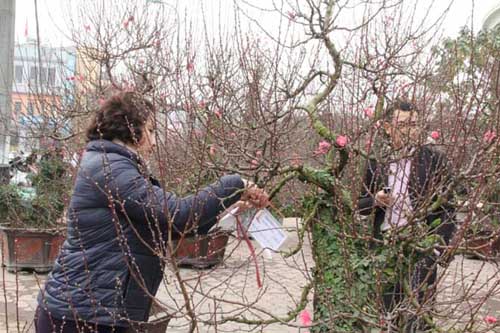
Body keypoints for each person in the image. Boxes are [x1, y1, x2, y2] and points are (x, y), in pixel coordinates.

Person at [35, 92, 269, 333]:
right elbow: (177, 215)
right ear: (130, 129)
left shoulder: (109, 164)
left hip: (91, 313)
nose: (155, 142)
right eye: (151, 130)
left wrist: (228, 204)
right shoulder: (111, 169)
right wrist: (236, 184)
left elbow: (174, 228)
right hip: (84, 317)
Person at [358, 100, 456, 331]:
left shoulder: (433, 160)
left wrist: (436, 250)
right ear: (388, 128)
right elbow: (360, 205)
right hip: (384, 248)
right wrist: (375, 200)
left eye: (414, 124)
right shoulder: (376, 162)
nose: (409, 130)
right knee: (384, 317)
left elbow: (448, 209)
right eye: (402, 124)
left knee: (418, 319)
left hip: (420, 249)